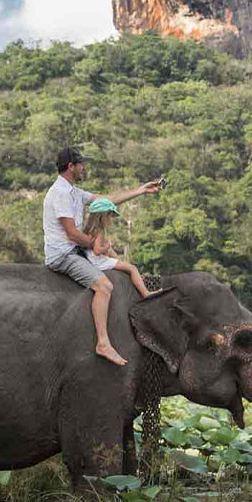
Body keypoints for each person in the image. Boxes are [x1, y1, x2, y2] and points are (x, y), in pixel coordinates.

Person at [43, 146, 160, 366]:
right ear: (71, 167)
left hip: (76, 250)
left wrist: (141, 190)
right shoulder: (59, 194)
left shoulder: (75, 192)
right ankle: (103, 342)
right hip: (64, 255)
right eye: (81, 165)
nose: (84, 168)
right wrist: (98, 246)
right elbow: (72, 233)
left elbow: (106, 200)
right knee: (104, 286)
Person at [82, 198, 152, 300]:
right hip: (97, 261)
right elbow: (97, 250)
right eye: (110, 216)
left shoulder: (89, 228)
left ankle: (133, 274)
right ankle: (146, 293)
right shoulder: (100, 230)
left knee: (116, 258)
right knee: (132, 268)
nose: (111, 220)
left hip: (90, 258)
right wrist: (107, 246)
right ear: (102, 216)